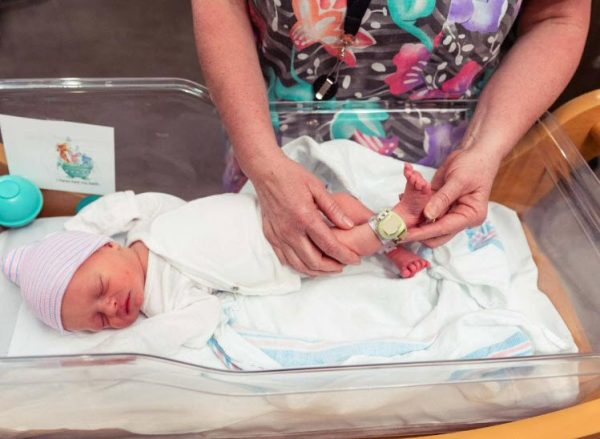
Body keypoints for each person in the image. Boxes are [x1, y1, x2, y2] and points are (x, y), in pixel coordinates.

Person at [192, 0, 590, 276]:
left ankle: (396, 234)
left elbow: (558, 16)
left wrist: (484, 148)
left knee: (384, 248)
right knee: (283, 255)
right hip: (275, 139)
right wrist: (262, 161)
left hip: (448, 159)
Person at [1, 164, 432, 333]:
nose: (112, 306)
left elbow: (123, 205)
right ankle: (397, 223)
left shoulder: (140, 229)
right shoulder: (161, 298)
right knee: (340, 243)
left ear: (104, 249)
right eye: (97, 320)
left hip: (265, 209)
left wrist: (71, 230)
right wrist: (151, 342)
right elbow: (202, 317)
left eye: (99, 288)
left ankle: (389, 246)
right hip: (282, 255)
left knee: (343, 206)